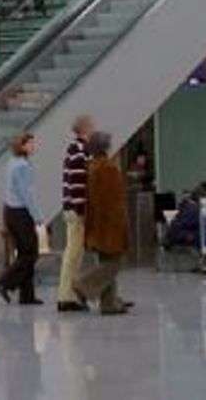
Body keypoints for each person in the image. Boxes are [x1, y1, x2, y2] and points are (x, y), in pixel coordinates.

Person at [74, 132, 131, 315]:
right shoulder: (107, 168)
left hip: (97, 224)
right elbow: (111, 201)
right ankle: (83, 286)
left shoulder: (92, 166)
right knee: (114, 263)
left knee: (107, 260)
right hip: (109, 224)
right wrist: (121, 222)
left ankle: (109, 303)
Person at [0, 133, 45, 305]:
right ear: (21, 146)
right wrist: (37, 216)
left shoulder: (12, 163)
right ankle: (4, 282)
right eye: (30, 143)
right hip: (21, 213)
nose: (33, 146)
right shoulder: (23, 166)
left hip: (10, 211)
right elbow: (27, 194)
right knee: (30, 253)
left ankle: (27, 295)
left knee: (24, 252)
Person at [55, 115, 95, 312]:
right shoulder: (79, 151)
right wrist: (82, 209)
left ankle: (68, 293)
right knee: (73, 253)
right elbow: (77, 182)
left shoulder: (76, 149)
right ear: (85, 129)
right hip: (76, 209)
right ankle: (66, 296)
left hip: (72, 207)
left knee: (74, 253)